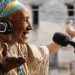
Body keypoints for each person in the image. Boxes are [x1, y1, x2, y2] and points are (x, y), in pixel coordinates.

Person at [0, 0, 64, 75]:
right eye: (25, 20)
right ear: (5, 25)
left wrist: (65, 39)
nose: (30, 27)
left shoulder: (19, 47)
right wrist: (3, 69)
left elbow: (43, 54)